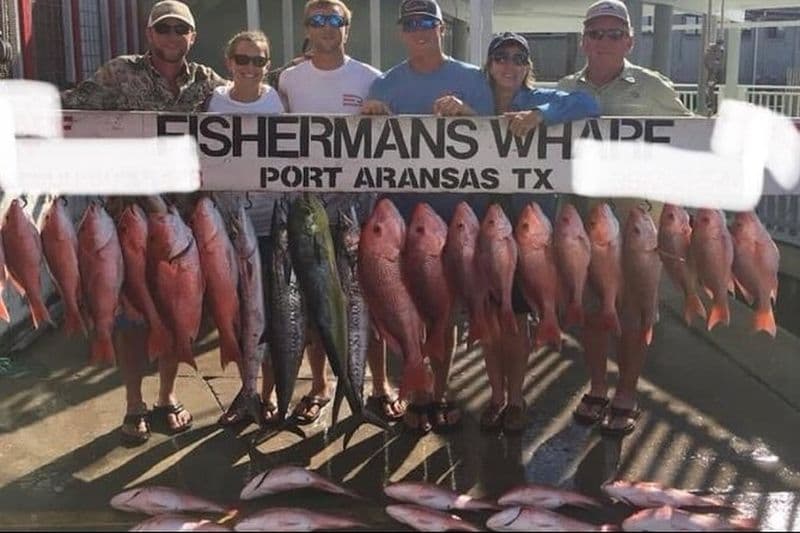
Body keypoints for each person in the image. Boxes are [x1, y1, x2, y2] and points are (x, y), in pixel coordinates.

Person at [62, 0, 226, 445]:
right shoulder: (119, 72)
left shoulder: (209, 82)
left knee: (176, 310)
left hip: (185, 219)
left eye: (181, 30)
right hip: (128, 214)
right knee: (132, 314)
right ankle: (134, 403)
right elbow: (73, 105)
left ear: (192, 36)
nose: (173, 37)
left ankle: (166, 397)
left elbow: (255, 106)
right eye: (164, 29)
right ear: (151, 34)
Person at [557, 0, 691, 436]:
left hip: (637, 226)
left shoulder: (653, 87)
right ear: (583, 40)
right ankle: (597, 387)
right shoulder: (563, 88)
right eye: (595, 33)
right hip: (583, 224)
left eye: (614, 34)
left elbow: (690, 135)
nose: (603, 42)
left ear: (630, 41)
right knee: (593, 312)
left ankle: (627, 393)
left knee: (634, 314)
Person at [361, 0, 494, 434]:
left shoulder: (472, 78)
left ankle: (439, 391)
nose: (420, 30)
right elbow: (365, 143)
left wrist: (468, 115)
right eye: (412, 24)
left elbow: (498, 137)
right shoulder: (386, 83)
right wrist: (371, 116)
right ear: (402, 31)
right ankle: (416, 394)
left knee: (445, 309)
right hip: (399, 219)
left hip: (453, 216)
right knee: (407, 304)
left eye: (428, 23)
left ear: (442, 28)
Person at [277, 0, 406, 425]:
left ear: (347, 29)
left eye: (335, 20)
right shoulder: (289, 78)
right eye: (318, 20)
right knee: (316, 300)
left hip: (358, 202)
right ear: (307, 28)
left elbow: (394, 133)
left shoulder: (371, 77)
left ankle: (380, 383)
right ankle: (320, 384)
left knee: (365, 296)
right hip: (308, 203)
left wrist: (380, 112)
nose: (327, 27)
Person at [480, 32, 600, 433]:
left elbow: (588, 103)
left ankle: (515, 398)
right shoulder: (476, 101)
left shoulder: (540, 99)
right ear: (489, 64)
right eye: (501, 58)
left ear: (528, 66)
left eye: (518, 58)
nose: (509, 66)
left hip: (529, 231)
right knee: (490, 321)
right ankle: (494, 395)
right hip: (485, 226)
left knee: (517, 319)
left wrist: (541, 116)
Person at [205, 30, 286, 426]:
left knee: (269, 313)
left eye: (258, 61)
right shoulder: (214, 101)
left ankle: (264, 396)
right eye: (243, 59)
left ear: (267, 66)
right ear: (229, 62)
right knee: (238, 314)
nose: (250, 67)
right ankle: (246, 387)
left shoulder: (277, 100)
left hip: (270, 224)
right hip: (226, 225)